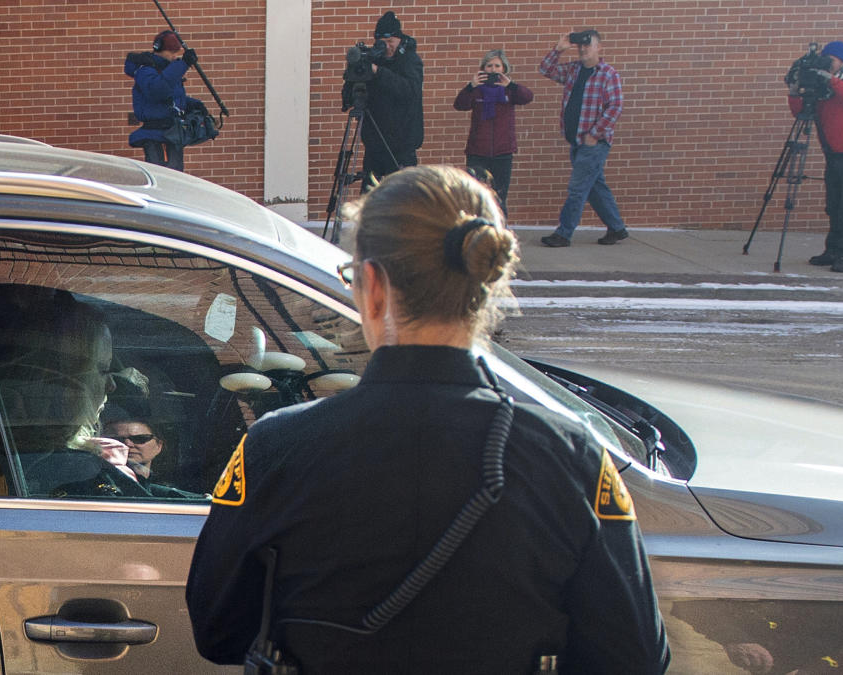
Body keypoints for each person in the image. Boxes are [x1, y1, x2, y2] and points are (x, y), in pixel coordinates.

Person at [186, 165, 669, 673]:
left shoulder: (275, 446)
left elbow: (218, 633)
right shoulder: (572, 457)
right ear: (487, 280)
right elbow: (635, 658)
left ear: (372, 286)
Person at [0, 284, 150, 498]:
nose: (111, 386)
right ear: (64, 383)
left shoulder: (5, 456)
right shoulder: (76, 472)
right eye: (103, 369)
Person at [788, 41, 843, 273]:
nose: (828, 65)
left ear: (842, 60)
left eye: (832, 60)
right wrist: (795, 91)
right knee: (834, 206)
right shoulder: (824, 82)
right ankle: (833, 250)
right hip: (835, 153)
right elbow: (802, 113)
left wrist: (831, 80)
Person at [538, 30, 629, 248]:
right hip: (577, 141)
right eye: (581, 46)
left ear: (600, 48)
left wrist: (594, 134)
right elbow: (546, 69)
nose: (583, 49)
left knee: (578, 189)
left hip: (594, 144)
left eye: (588, 45)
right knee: (595, 187)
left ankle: (563, 233)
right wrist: (559, 49)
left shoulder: (608, 74)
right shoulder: (573, 70)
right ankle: (617, 228)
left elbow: (615, 107)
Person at [342, 11, 424, 188]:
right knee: (371, 194)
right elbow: (348, 98)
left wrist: (378, 72)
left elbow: (409, 91)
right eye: (382, 42)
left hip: (402, 144)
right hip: (374, 143)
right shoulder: (373, 58)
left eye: (390, 42)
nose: (387, 47)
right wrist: (356, 71)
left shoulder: (410, 61)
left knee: (399, 199)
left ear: (399, 39)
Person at [453, 49, 534, 217]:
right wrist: (470, 86)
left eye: (497, 65)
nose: (493, 69)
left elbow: (527, 97)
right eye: (489, 65)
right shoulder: (476, 90)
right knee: (475, 195)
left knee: (499, 197)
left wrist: (510, 85)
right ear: (483, 68)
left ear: (504, 68)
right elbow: (460, 104)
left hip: (503, 151)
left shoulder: (510, 91)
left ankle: (500, 232)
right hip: (478, 151)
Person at [124, 30, 202, 172]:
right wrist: (182, 64)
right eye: (171, 52)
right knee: (164, 177)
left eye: (176, 53)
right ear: (159, 50)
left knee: (176, 177)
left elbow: (171, 98)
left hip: (172, 133)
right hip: (156, 135)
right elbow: (158, 91)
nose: (174, 57)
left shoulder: (168, 71)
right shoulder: (145, 71)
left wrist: (193, 105)